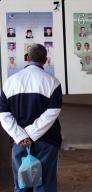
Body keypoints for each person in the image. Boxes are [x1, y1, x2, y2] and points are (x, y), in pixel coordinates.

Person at [0, 44, 62, 191]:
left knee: (22, 185)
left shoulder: (9, 82)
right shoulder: (52, 82)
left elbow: (3, 114)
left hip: (19, 143)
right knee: (44, 185)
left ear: (27, 58)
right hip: (47, 142)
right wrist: (32, 135)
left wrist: (21, 136)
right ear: (45, 60)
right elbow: (52, 112)